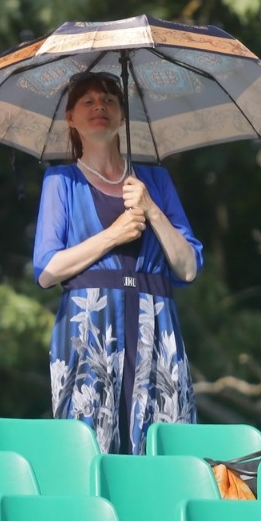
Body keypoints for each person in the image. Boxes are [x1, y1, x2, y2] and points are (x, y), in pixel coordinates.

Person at [32, 71, 203, 455]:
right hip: (91, 326)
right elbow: (46, 271)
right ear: (71, 119)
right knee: (91, 447)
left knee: (164, 447)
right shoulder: (61, 180)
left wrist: (151, 210)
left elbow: (188, 267)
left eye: (110, 99)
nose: (100, 107)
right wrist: (114, 234)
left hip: (156, 324)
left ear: (122, 116)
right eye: (88, 101)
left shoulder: (154, 181)